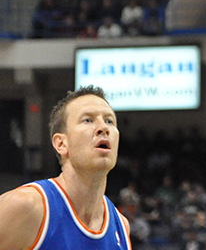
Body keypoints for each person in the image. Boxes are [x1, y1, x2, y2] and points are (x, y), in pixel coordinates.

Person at [0, 86, 130, 250]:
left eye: (109, 121)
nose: (103, 128)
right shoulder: (25, 207)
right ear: (61, 144)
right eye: (88, 120)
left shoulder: (121, 226)